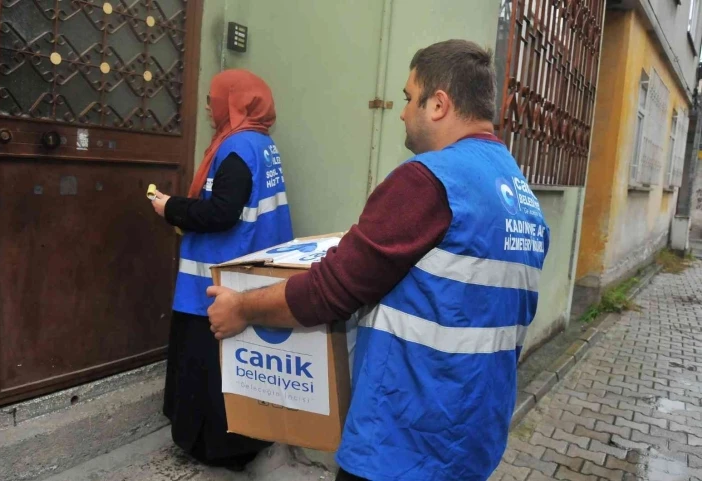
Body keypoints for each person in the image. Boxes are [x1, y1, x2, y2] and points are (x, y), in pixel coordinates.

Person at [205, 40, 550, 481]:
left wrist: (242, 307)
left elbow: (330, 291)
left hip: (403, 442)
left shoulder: (428, 182)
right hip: (472, 438)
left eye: (409, 98)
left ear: (439, 104)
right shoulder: (520, 194)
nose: (403, 112)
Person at [150, 69, 293, 471]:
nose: (211, 110)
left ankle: (210, 447)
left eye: (214, 101)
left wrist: (170, 208)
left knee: (208, 369)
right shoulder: (263, 144)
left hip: (216, 284)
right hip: (249, 278)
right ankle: (242, 441)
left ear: (233, 102)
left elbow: (221, 212)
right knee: (240, 371)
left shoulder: (236, 149)